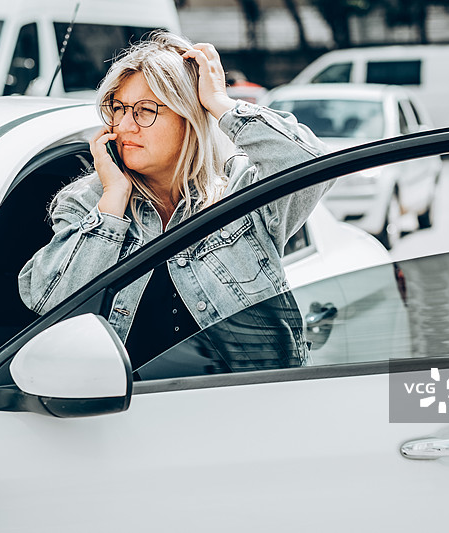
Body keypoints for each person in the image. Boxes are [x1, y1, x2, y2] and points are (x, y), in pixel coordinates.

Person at [18, 32, 330, 374]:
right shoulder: (88, 203)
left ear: (188, 117)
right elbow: (50, 302)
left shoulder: (240, 193)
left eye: (144, 111)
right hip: (128, 417)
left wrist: (219, 103)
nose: (123, 125)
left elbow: (309, 162)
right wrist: (114, 200)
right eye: (118, 108)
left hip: (248, 407)